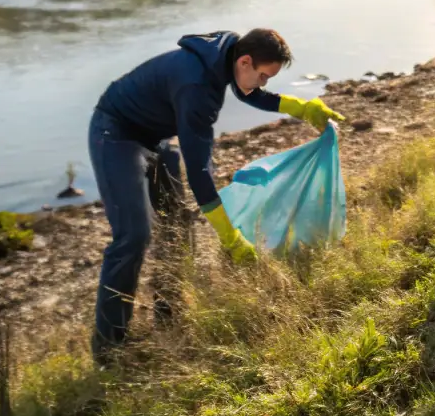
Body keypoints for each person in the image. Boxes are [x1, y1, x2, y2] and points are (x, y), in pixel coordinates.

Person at [88, 28, 343, 360]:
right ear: (246, 61)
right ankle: (108, 350)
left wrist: (302, 108)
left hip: (154, 136)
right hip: (116, 133)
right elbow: (200, 174)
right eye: (263, 75)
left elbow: (247, 90)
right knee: (134, 236)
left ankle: (169, 313)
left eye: (269, 78)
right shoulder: (197, 88)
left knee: (176, 223)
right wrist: (231, 237)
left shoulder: (226, 55)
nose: (263, 83)